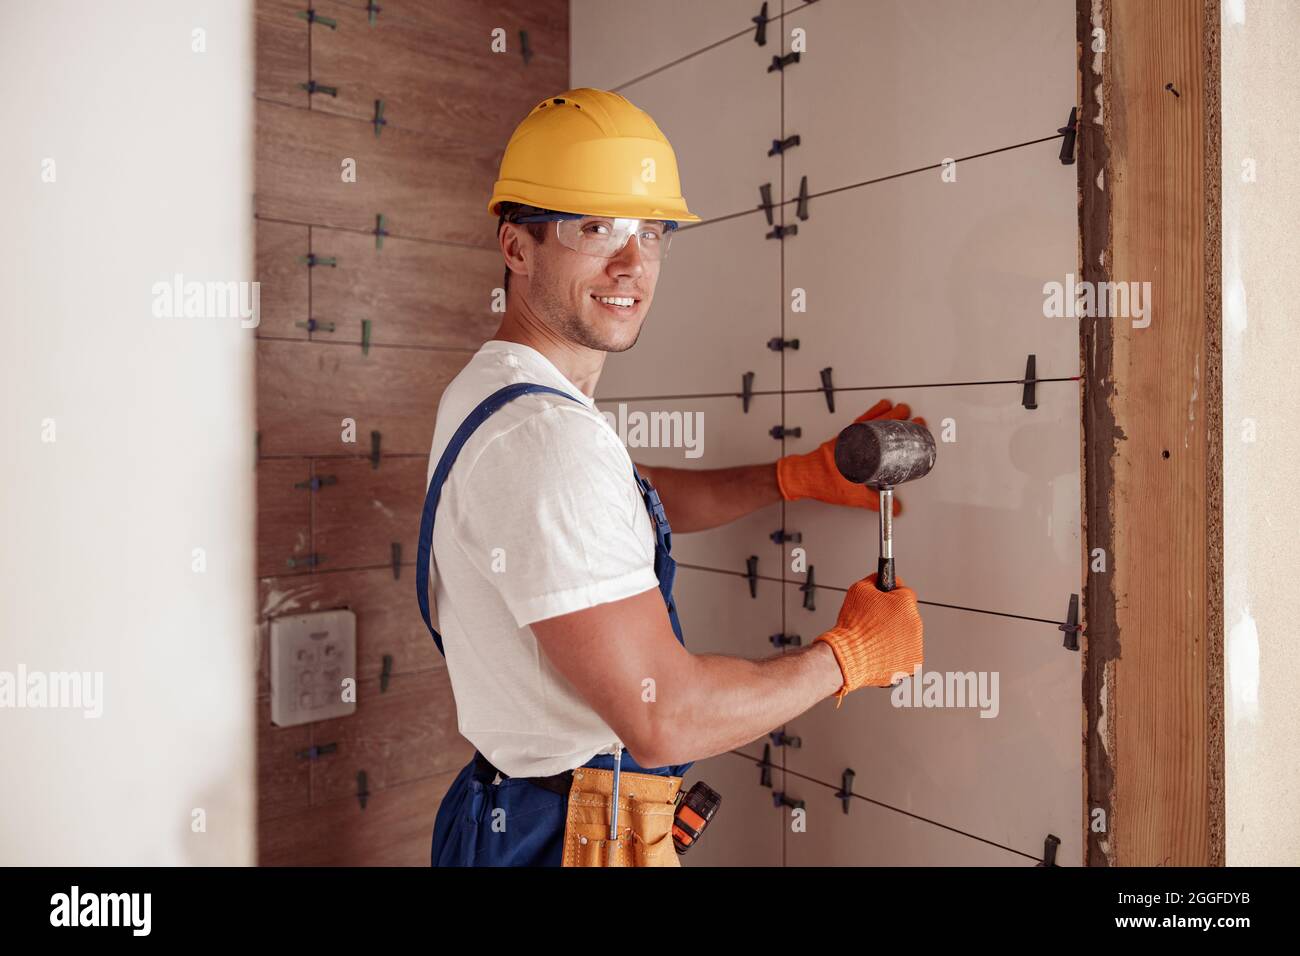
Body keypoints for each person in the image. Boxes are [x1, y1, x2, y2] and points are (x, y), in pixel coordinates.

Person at [418, 88, 925, 867]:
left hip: (513, 811)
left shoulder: (502, 393)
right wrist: (850, 655)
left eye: (651, 233)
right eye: (597, 229)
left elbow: (622, 496)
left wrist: (796, 476)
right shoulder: (548, 441)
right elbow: (667, 717)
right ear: (516, 246)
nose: (632, 264)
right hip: (565, 837)